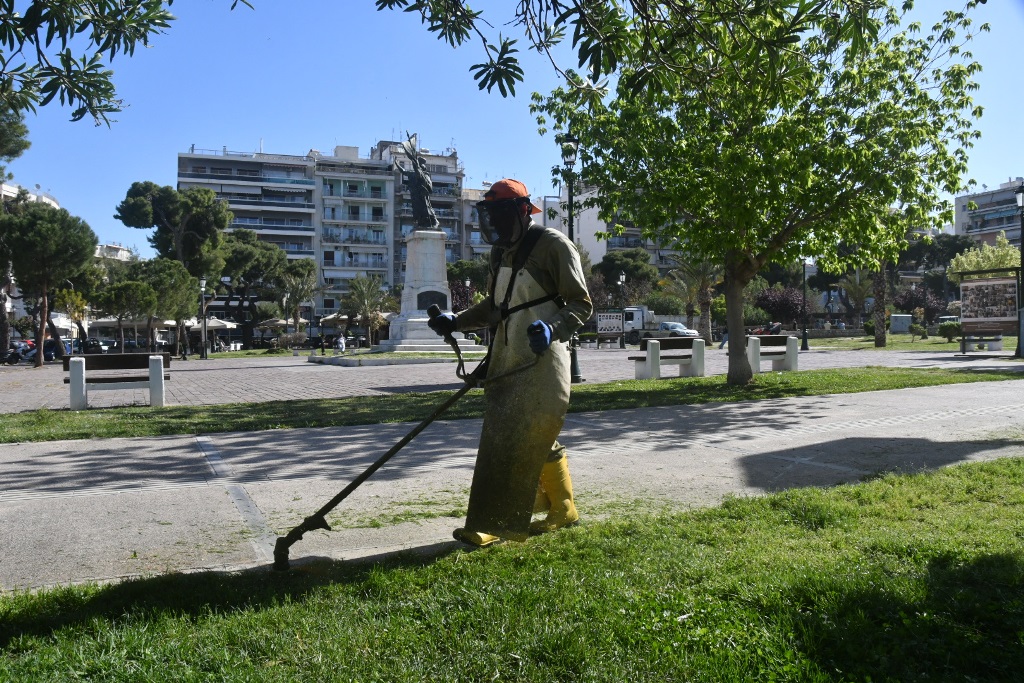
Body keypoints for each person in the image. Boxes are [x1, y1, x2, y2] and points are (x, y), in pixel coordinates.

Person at [428, 178, 593, 547]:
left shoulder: (553, 245)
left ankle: (556, 507)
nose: (496, 225)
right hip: (506, 356)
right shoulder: (499, 253)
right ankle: (511, 515)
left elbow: (581, 304)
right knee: (504, 434)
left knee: (537, 429)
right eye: (491, 216)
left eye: (502, 215)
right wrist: (456, 321)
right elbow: (495, 308)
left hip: (541, 357)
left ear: (523, 211)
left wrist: (552, 329)